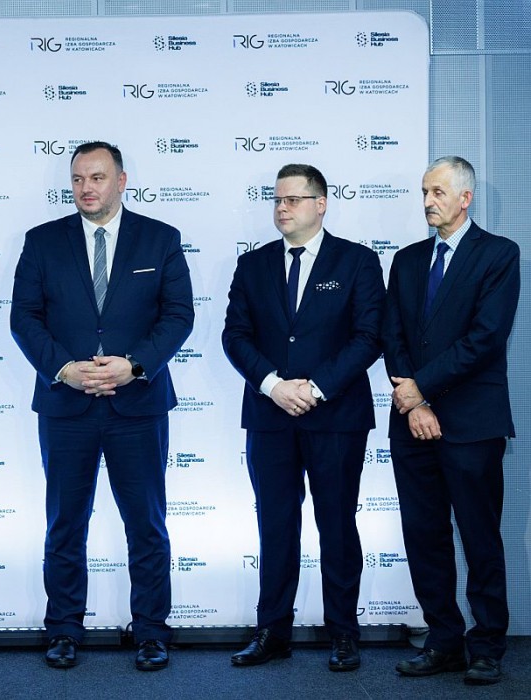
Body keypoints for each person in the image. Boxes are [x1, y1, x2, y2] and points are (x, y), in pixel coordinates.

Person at [10, 141, 194, 671]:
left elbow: (178, 315)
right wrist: (64, 369)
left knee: (147, 523)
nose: (86, 188)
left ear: (121, 180)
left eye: (96, 177)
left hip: (138, 404)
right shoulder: (42, 241)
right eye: (77, 179)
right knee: (65, 523)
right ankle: (64, 629)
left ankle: (151, 630)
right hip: (66, 405)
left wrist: (134, 365)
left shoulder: (160, 239)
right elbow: (24, 318)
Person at [221, 163, 385, 672]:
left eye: (292, 199)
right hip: (270, 415)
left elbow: (369, 337)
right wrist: (274, 385)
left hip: (335, 416)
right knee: (275, 525)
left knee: (337, 526)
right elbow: (235, 336)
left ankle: (343, 633)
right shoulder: (252, 265)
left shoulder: (357, 261)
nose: (282, 208)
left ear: (321, 203)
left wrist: (314, 388)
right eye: (277, 200)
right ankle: (272, 631)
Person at [382, 156, 519, 686]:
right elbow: (393, 336)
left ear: (465, 197)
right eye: (424, 192)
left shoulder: (499, 254)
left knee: (480, 537)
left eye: (437, 192)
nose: (427, 201)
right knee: (424, 536)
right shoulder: (407, 260)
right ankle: (443, 641)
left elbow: (485, 338)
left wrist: (422, 389)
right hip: (412, 421)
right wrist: (415, 404)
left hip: (472, 424)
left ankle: (486, 646)